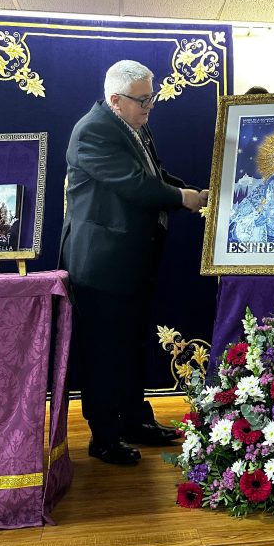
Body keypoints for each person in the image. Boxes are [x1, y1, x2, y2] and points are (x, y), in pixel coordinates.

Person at [60, 60, 207, 466]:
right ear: (115, 100)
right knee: (105, 351)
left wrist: (191, 191)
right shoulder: (92, 131)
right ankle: (105, 437)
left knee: (130, 346)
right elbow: (134, 185)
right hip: (101, 266)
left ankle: (135, 421)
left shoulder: (133, 124)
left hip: (131, 261)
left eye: (151, 98)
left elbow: (156, 174)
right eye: (142, 100)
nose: (150, 106)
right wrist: (183, 199)